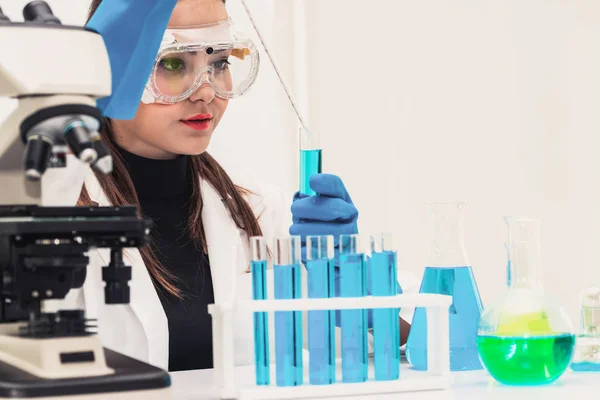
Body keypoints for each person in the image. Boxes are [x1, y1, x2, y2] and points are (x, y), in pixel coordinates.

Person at [42, 0, 418, 372]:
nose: (206, 91)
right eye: (173, 63)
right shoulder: (47, 214)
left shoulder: (260, 214)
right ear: (113, 66)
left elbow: (428, 337)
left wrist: (361, 288)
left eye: (219, 63)